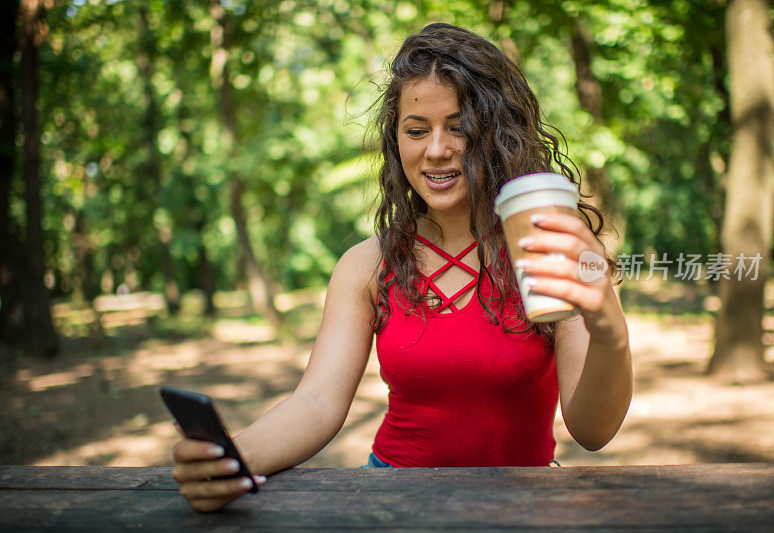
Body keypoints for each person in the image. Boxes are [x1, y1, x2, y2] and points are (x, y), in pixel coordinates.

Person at [171, 23, 632, 512]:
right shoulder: (367, 265)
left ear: (500, 132)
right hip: (392, 501)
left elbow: (592, 430)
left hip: (523, 506)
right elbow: (317, 404)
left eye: (460, 126)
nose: (436, 149)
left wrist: (607, 326)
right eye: (416, 130)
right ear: (396, 142)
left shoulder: (552, 250)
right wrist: (234, 458)